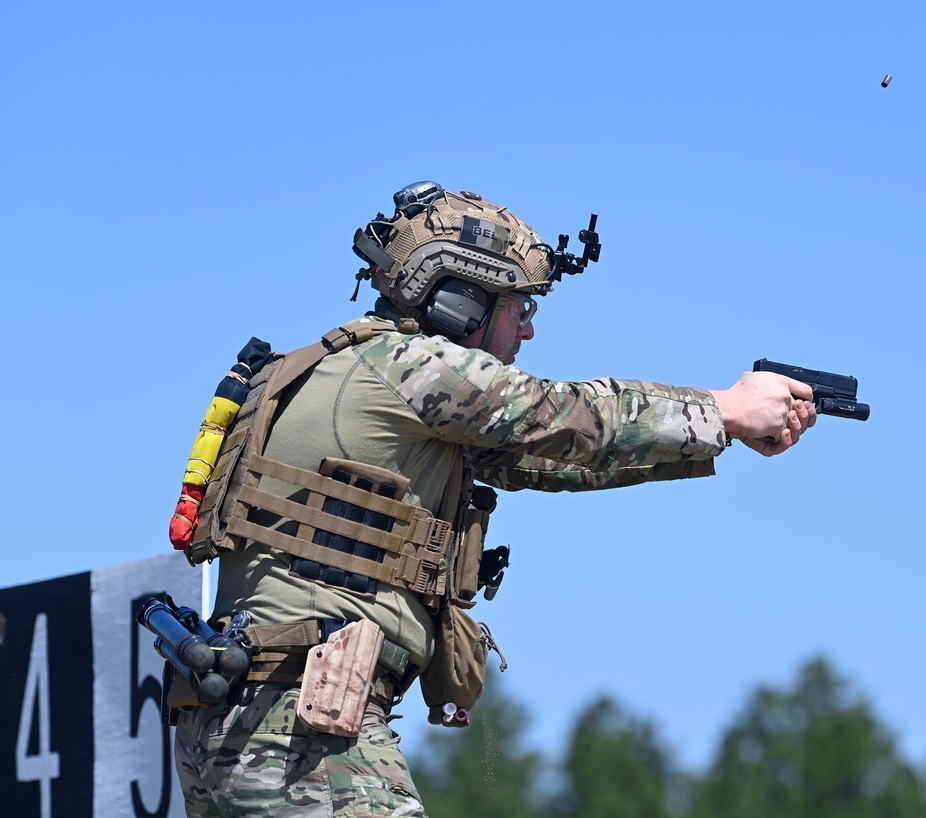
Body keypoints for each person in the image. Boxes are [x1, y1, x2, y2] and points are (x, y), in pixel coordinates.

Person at [172, 182, 816, 817]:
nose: (528, 332)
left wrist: (721, 437)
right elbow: (565, 416)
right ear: (460, 303)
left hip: (236, 719)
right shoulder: (412, 367)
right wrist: (724, 410)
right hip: (302, 731)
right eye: (520, 308)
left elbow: (549, 460)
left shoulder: (334, 369)